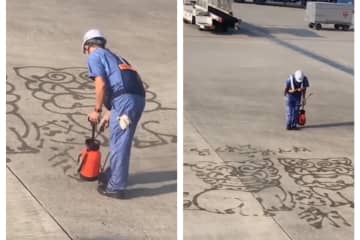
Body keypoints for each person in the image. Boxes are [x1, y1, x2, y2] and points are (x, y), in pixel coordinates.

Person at [83, 29, 146, 198]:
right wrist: (109, 113)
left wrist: (97, 111)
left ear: (87, 46)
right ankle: (113, 175)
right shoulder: (115, 57)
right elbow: (123, 83)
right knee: (121, 140)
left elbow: (101, 83)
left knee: (119, 143)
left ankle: (116, 186)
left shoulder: (95, 56)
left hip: (125, 100)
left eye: (86, 50)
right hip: (136, 99)